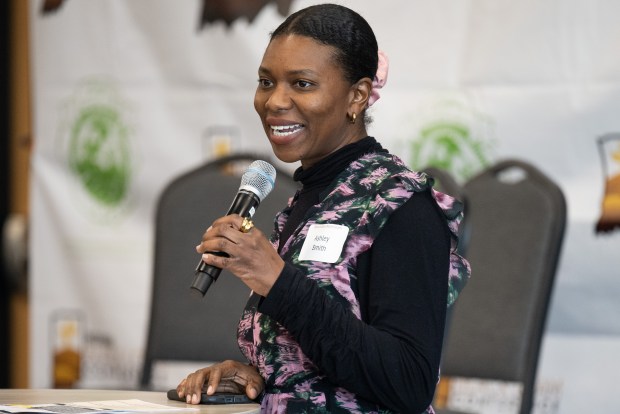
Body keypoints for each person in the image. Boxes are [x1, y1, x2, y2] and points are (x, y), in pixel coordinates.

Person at [176, 4, 470, 413]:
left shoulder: (400, 204)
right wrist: (262, 375)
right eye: (266, 81)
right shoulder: (310, 201)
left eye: (302, 83)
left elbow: (409, 382)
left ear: (357, 96)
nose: (275, 101)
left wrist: (279, 282)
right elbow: (327, 356)